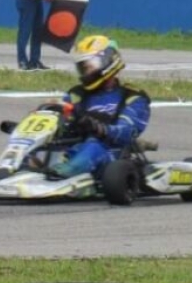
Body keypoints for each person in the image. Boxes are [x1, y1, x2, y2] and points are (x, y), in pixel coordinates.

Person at [43, 36, 151, 182]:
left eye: (89, 66)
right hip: (74, 147)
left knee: (92, 147)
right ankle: (16, 169)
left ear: (107, 61)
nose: (85, 72)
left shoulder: (132, 97)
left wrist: (96, 126)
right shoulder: (77, 94)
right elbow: (61, 119)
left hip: (110, 154)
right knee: (42, 147)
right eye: (83, 67)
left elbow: (126, 132)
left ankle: (62, 173)